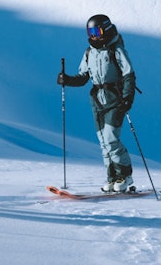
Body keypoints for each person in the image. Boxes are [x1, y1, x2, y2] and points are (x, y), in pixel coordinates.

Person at [57, 14, 136, 192]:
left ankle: (125, 175)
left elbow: (129, 75)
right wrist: (66, 80)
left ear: (106, 30)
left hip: (115, 99)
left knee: (111, 139)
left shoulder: (116, 50)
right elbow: (83, 77)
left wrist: (127, 98)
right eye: (90, 31)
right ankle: (112, 178)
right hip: (97, 100)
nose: (93, 35)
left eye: (97, 31)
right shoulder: (89, 52)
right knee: (103, 141)